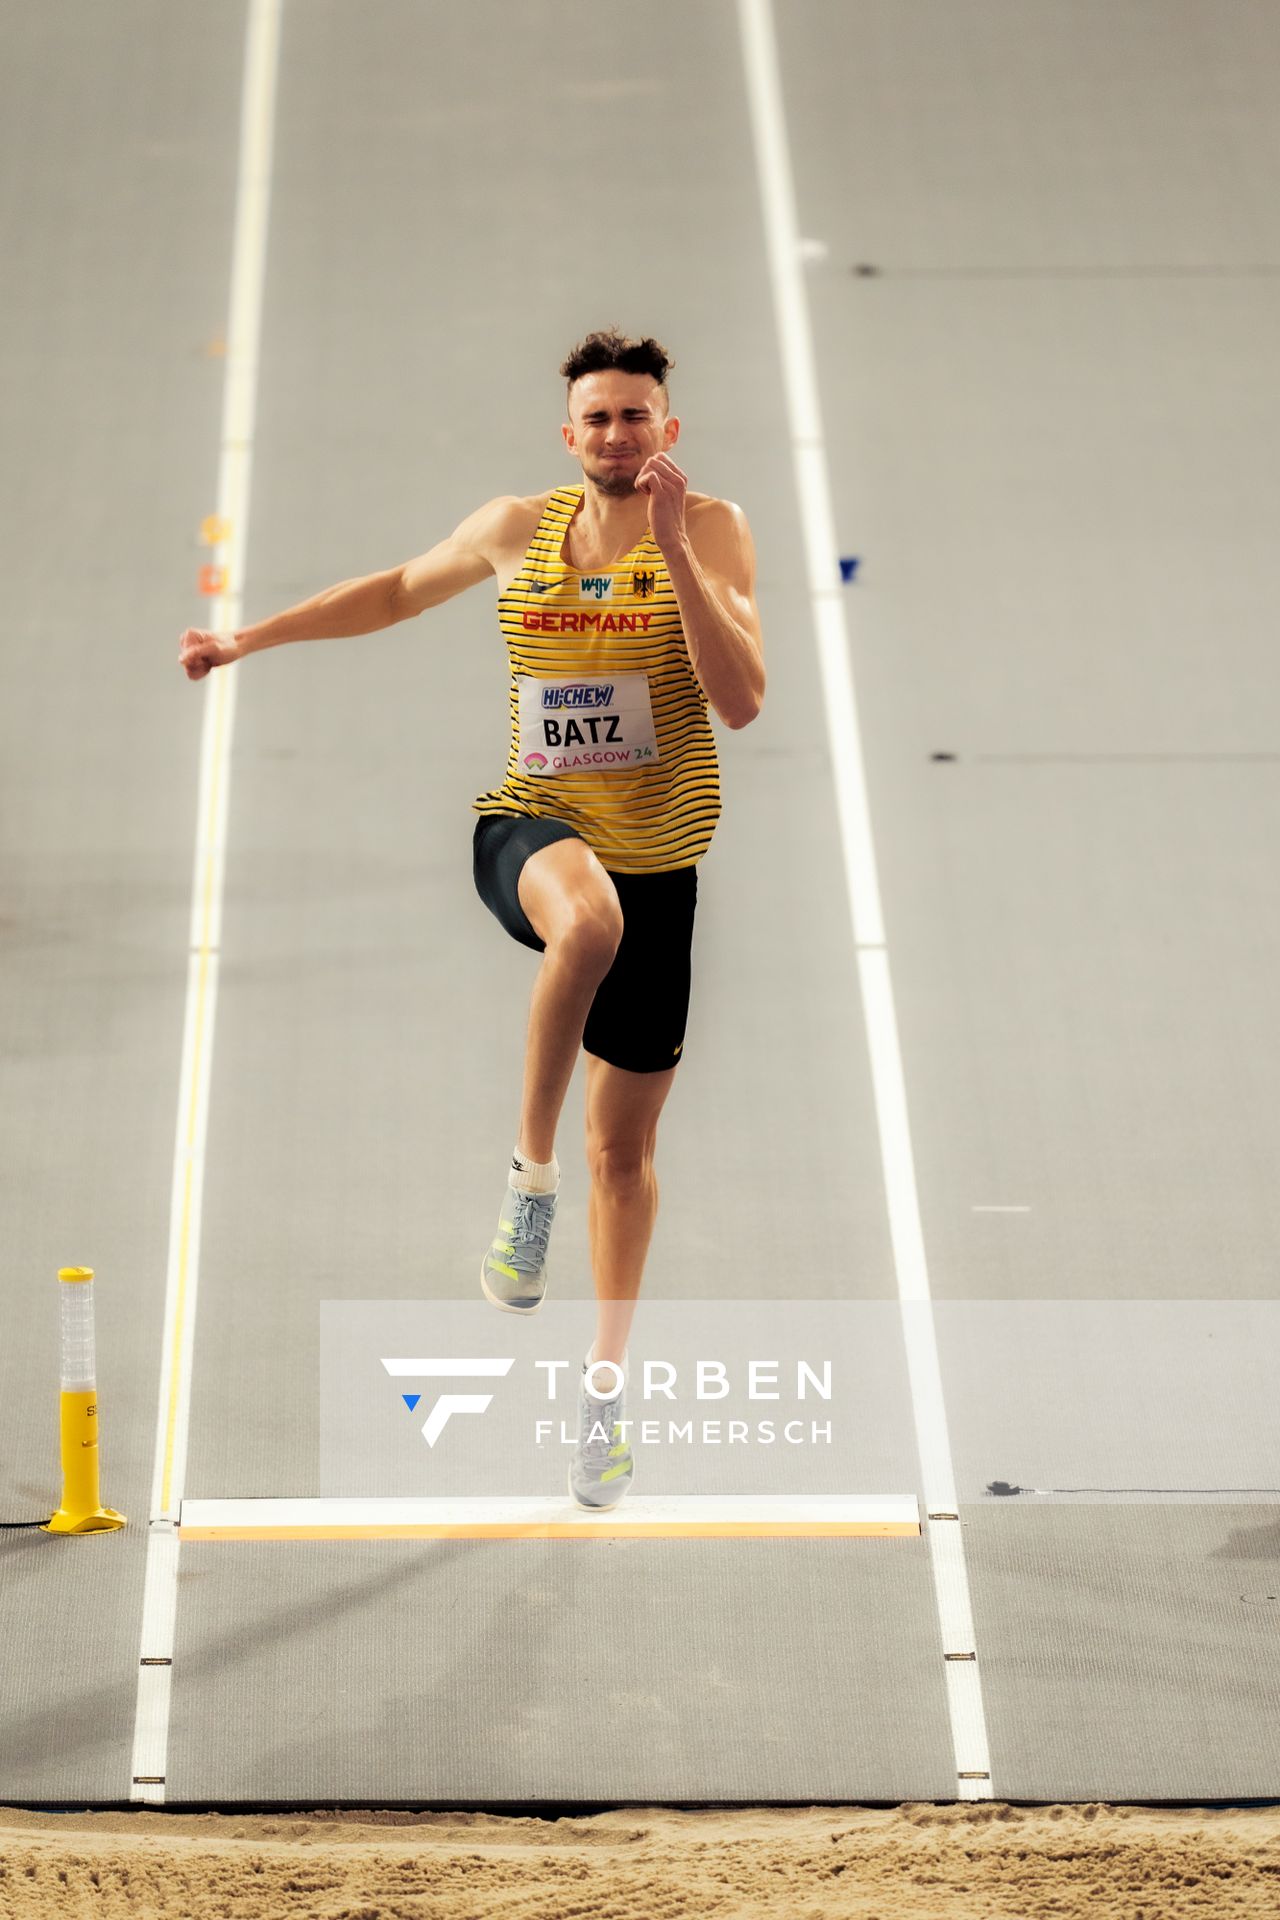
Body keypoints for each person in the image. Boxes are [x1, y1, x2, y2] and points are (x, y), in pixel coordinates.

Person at [179, 326, 766, 1509]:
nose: (615, 433)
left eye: (634, 415)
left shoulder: (708, 532)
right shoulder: (515, 529)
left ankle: (602, 1399)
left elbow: (740, 701)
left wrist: (671, 554)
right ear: (569, 436)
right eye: (595, 417)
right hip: (531, 831)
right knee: (585, 927)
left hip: (664, 865)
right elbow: (395, 592)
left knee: (628, 1154)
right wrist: (246, 638)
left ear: (668, 429)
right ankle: (523, 1185)